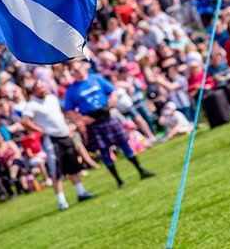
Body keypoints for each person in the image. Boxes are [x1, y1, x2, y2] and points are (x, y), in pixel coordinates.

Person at [64, 60, 155, 188]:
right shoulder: (72, 90)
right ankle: (119, 181)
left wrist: (113, 99)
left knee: (124, 143)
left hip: (107, 116)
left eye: (78, 68)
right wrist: (82, 119)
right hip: (93, 121)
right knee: (104, 151)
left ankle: (141, 170)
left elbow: (113, 90)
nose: (77, 72)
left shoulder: (96, 78)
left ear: (83, 68)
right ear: (72, 74)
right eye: (74, 71)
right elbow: (69, 110)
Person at [21, 81, 96, 210]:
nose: (42, 89)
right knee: (57, 171)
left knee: (73, 166)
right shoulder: (32, 105)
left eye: (43, 86)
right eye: (39, 88)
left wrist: (69, 125)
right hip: (52, 139)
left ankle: (81, 192)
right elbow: (24, 121)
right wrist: (40, 131)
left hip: (65, 135)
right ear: (33, 91)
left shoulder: (52, 98)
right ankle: (61, 201)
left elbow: (62, 113)